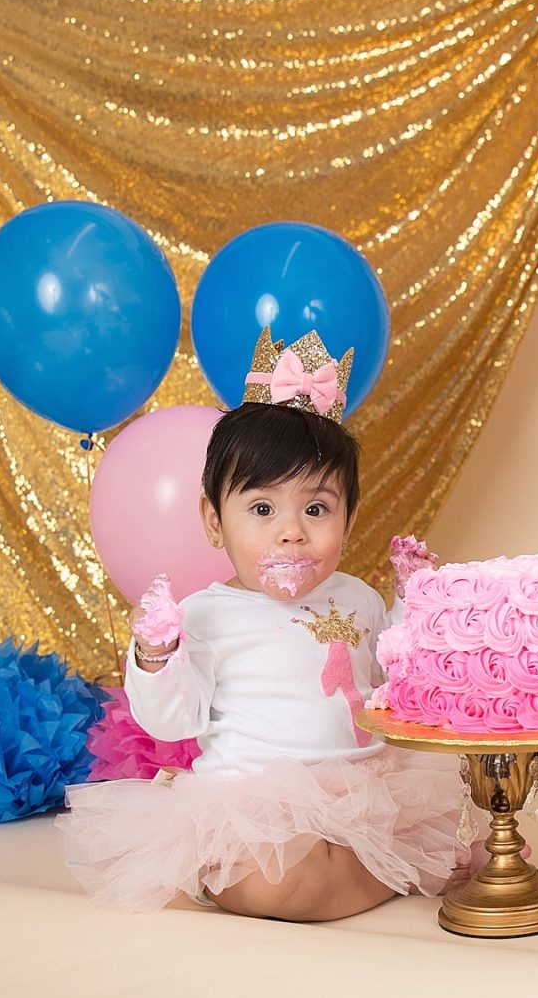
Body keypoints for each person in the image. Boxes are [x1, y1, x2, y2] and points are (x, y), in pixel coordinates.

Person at [57, 330, 469, 921]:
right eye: (261, 509)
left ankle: (380, 862)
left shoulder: (357, 597)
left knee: (460, 823)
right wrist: (156, 654)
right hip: (253, 805)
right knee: (279, 882)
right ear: (214, 520)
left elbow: (391, 679)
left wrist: (413, 600)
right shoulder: (206, 614)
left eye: (317, 509)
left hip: (364, 789)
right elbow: (173, 719)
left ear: (350, 518)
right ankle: (397, 873)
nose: (291, 531)